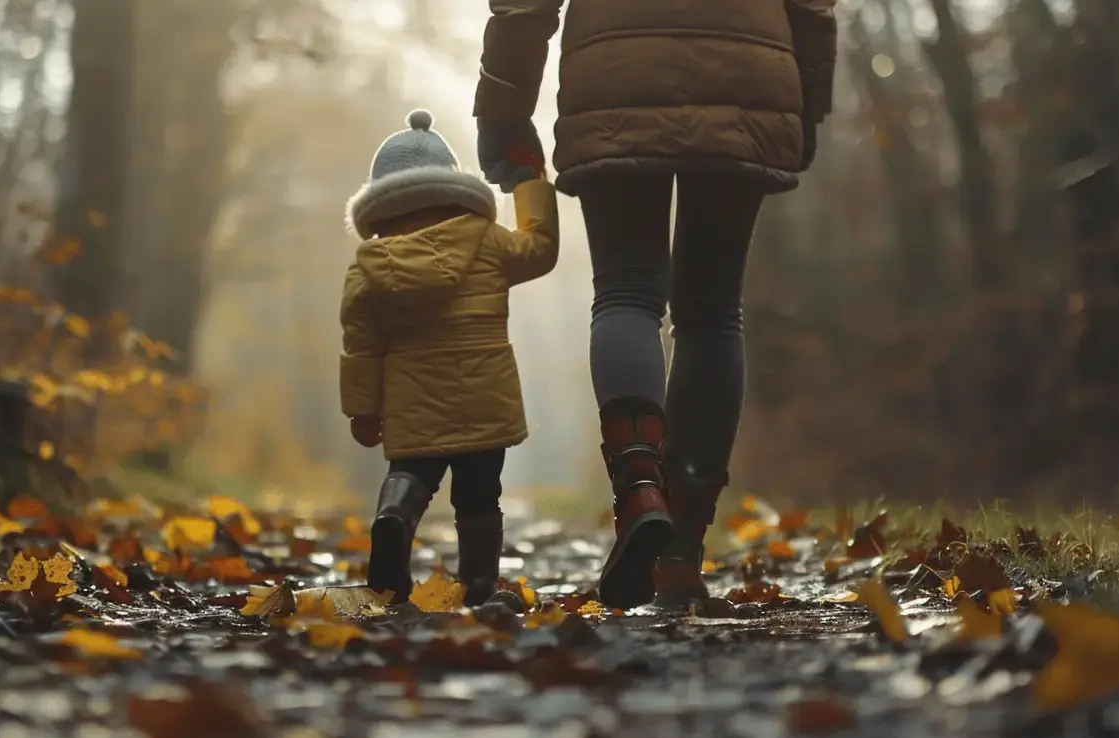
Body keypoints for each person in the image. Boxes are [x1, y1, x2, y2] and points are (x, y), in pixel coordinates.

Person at [474, 1, 840, 609]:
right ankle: (681, 551)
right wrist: (808, 101)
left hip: (615, 74)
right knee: (713, 312)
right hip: (747, 71)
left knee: (626, 292)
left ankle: (641, 492)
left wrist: (505, 109)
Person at [341, 108, 560, 608]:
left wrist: (363, 410)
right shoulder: (487, 241)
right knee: (480, 496)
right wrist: (529, 183)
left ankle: (393, 521)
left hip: (411, 399)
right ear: (451, 186)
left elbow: (360, 347)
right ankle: (480, 588)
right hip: (486, 396)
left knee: (411, 475)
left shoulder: (369, 266)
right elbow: (541, 249)